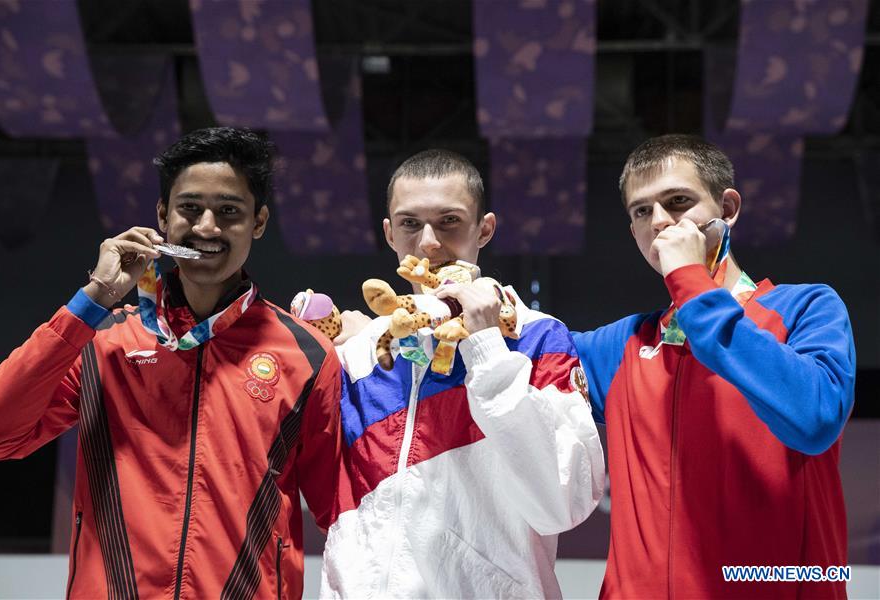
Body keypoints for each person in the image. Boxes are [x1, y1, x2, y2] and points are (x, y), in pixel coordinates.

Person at [0, 127, 342, 599]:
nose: (207, 227)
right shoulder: (101, 341)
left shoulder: (307, 355)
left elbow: (339, 509)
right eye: (190, 208)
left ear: (259, 221)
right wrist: (93, 301)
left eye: (229, 211)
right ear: (162, 217)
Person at [572, 134, 855, 598]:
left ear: (727, 208)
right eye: (641, 211)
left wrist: (691, 282)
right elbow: (516, 353)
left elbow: (815, 419)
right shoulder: (621, 345)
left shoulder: (807, 308)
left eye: (678, 201)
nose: (660, 222)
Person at [319, 149, 605, 598]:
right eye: (411, 223)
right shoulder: (361, 354)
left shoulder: (536, 338)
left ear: (484, 229)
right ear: (390, 234)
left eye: (449, 221)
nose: (429, 242)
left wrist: (487, 348)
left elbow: (562, 504)